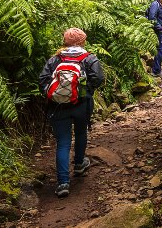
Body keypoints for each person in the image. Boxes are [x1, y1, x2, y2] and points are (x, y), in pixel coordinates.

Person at [38, 28, 104, 199]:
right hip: (82, 104)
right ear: (82, 41)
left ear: (65, 41)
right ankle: (79, 164)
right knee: (81, 132)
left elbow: (43, 80)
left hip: (58, 106)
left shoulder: (55, 59)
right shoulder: (89, 58)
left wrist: (54, 94)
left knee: (63, 142)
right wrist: (84, 91)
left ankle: (63, 183)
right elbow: (98, 78)